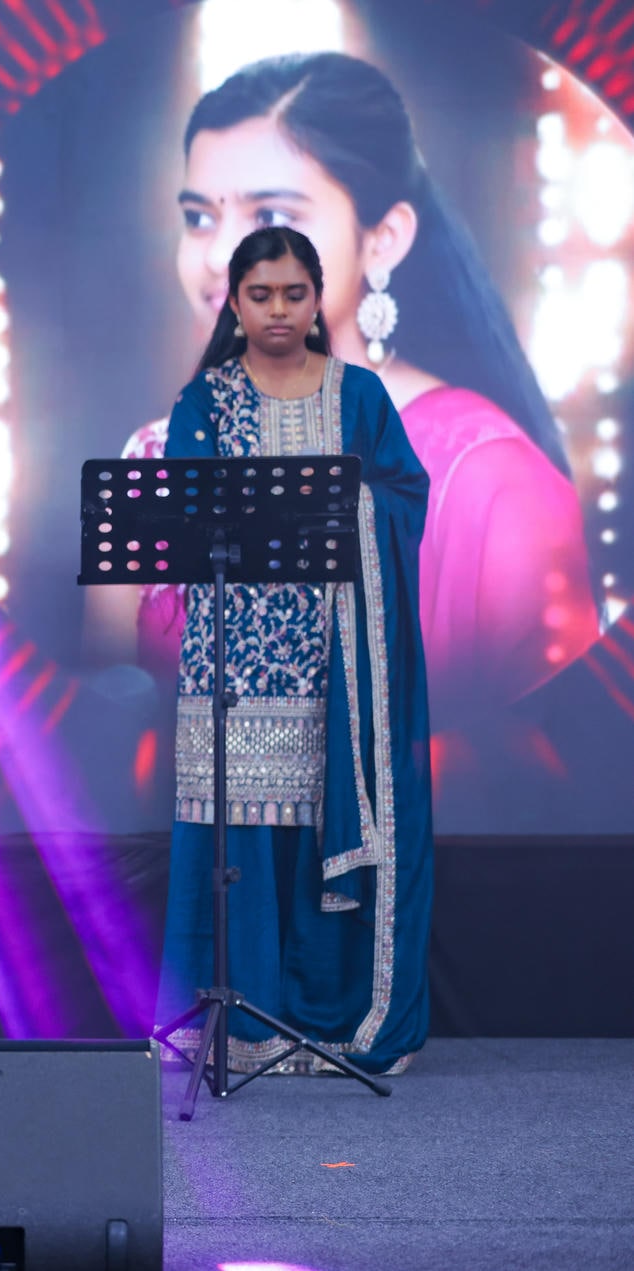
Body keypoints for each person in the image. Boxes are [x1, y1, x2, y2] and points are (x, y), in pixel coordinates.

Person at [88, 52, 593, 714]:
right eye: (200, 217)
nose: (217, 256)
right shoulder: (151, 467)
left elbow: (550, 761)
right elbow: (103, 757)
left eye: (271, 217)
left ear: (383, 239)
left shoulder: (486, 482)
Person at [153, 226, 433, 1076]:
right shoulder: (205, 402)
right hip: (230, 661)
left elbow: (403, 494)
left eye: (294, 293)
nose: (278, 310)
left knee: (317, 830)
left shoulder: (359, 396)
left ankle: (330, 1016)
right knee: (235, 841)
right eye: (261, 294)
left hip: (336, 665)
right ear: (234, 303)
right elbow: (183, 518)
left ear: (319, 299)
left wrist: (352, 504)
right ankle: (240, 1023)